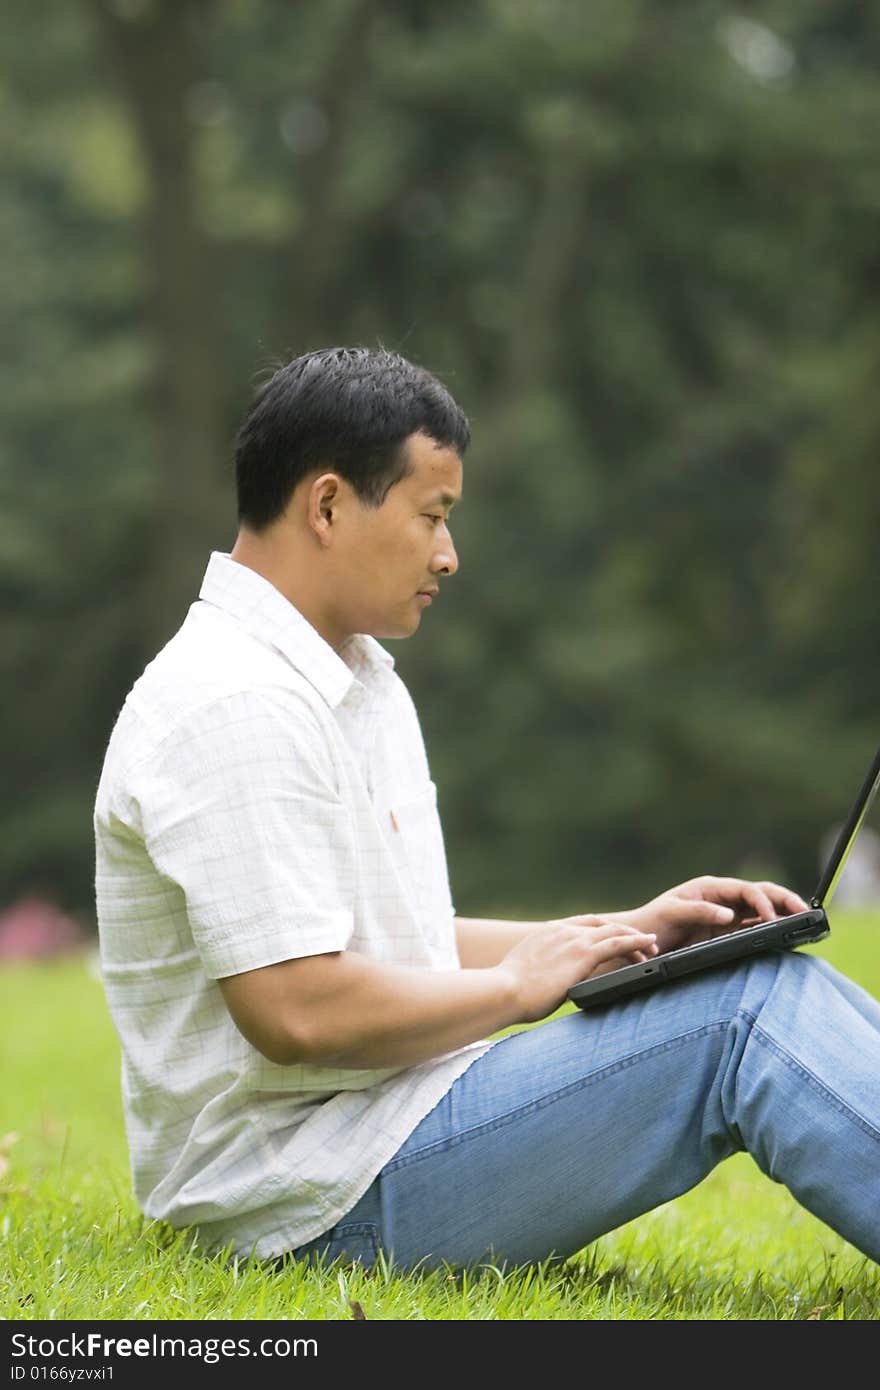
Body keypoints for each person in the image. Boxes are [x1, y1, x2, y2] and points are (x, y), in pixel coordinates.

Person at [94, 346, 880, 1272]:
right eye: (432, 516)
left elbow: (390, 939)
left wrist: (620, 933)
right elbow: (295, 1007)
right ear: (329, 504)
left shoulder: (345, 676)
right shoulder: (233, 702)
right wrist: (515, 992)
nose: (448, 554)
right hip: (311, 1200)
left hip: (390, 1127)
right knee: (748, 1017)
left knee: (776, 984)